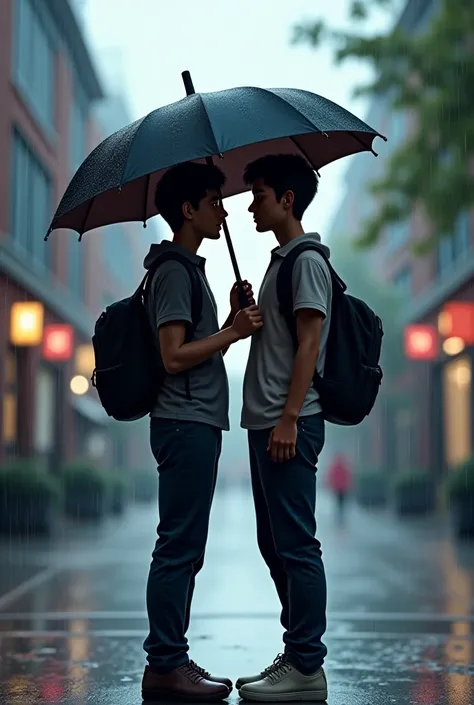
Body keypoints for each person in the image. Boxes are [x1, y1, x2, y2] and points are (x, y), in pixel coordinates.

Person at [141, 161, 262, 702]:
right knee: (179, 546)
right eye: (215, 200)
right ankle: (165, 664)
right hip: (184, 421)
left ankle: (172, 657)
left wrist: (228, 322)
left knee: (186, 547)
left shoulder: (188, 269)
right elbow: (172, 357)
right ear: (187, 210)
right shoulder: (173, 271)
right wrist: (233, 333)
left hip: (195, 421)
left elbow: (192, 345)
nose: (225, 207)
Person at [237, 154, 332, 702]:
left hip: (287, 422)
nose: (252, 205)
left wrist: (290, 417)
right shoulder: (282, 262)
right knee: (275, 544)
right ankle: (296, 652)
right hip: (269, 421)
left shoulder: (306, 260)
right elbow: (280, 341)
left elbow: (310, 344)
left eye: (260, 193)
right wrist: (248, 312)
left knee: (296, 545)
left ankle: (307, 666)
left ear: (287, 200)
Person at [326, 453, 353, 521]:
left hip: (338, 488)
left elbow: (331, 476)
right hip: (342, 488)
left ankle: (339, 516)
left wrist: (331, 485)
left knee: (339, 502)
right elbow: (347, 477)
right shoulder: (344, 467)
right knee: (341, 503)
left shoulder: (335, 467)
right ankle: (340, 516)